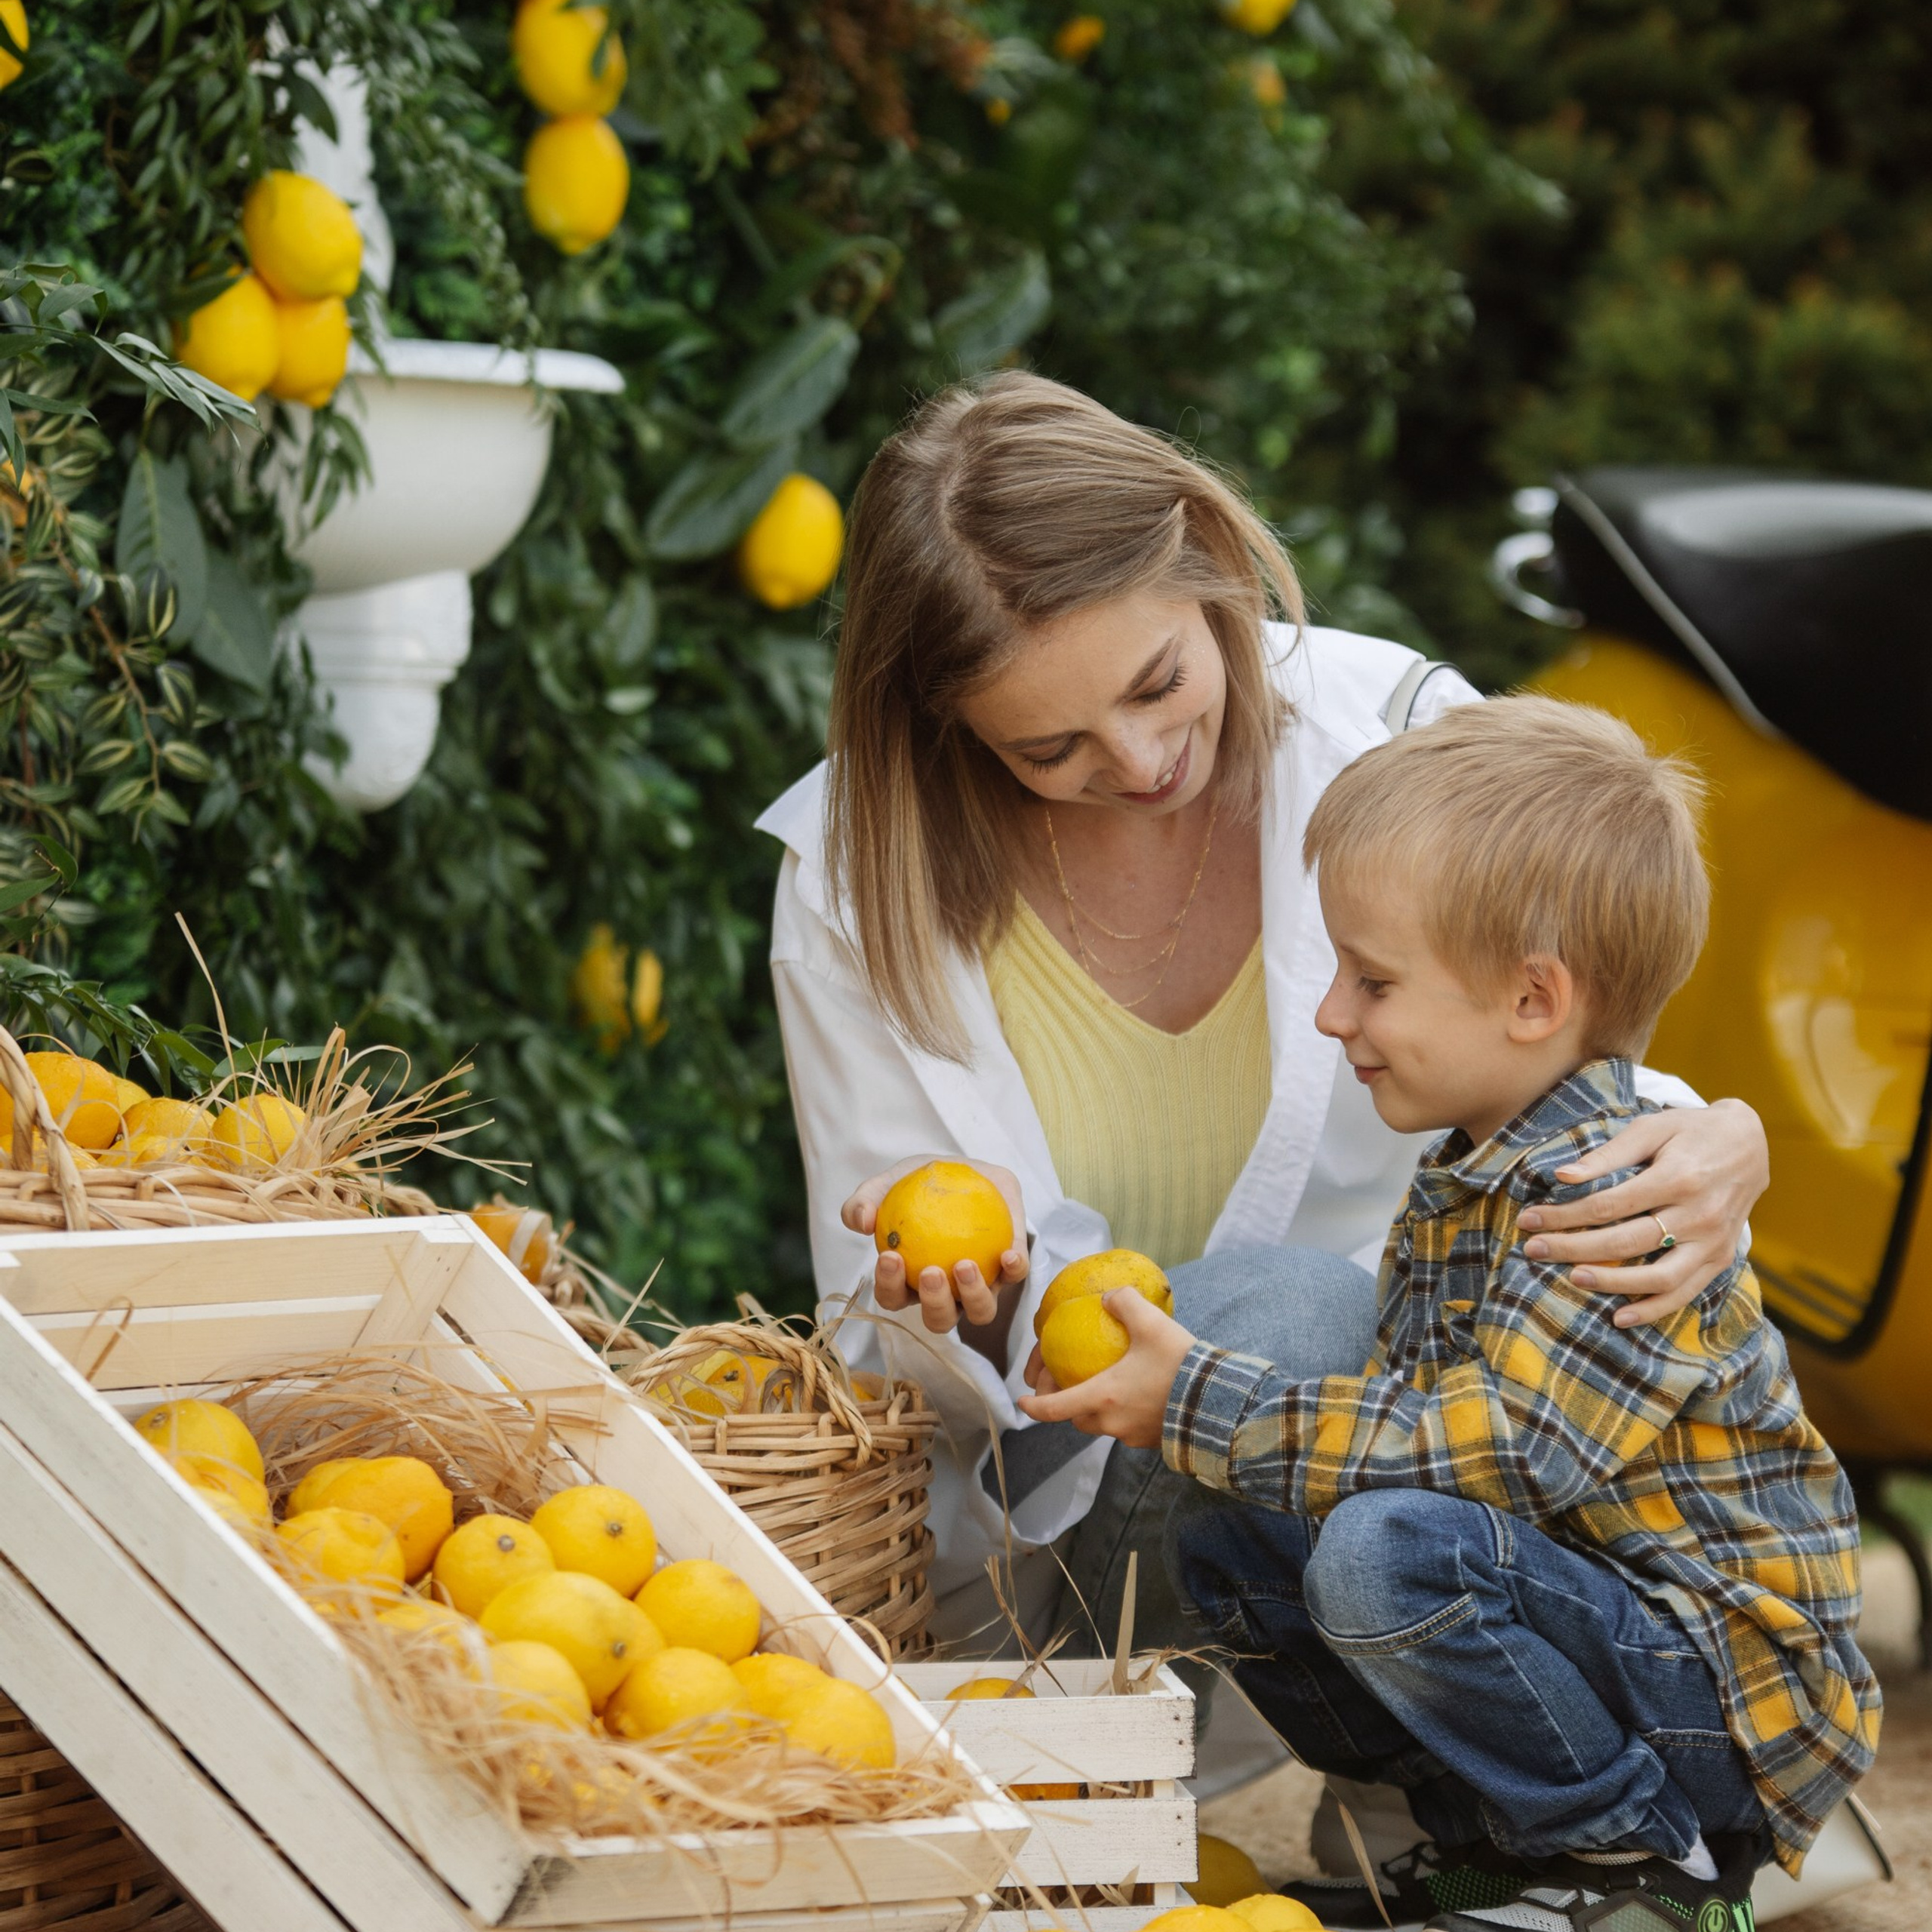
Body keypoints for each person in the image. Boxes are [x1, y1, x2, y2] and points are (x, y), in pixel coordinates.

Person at [753, 370, 1773, 1651]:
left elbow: (1568, 1068)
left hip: (1406, 1499)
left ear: (1211, 553)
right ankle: (1125, 1761)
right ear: (949, 728)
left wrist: (1712, 1134)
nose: (1138, 765)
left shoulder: (1397, 743)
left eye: (1155, 681)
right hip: (1082, 1576)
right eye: (1046, 752)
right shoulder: (855, 873)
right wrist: (975, 1308)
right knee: (1277, 1316)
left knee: (1357, 1310)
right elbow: (883, 1349)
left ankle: (1558, 1793)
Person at [1020, 696, 1880, 1932]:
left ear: (1533, 1002)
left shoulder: (1605, 1197)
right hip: (1597, 1633)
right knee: (1232, 1538)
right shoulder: (1477, 1166)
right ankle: (1493, 1844)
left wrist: (1199, 1397)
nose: (1334, 1017)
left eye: (1372, 981)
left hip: (1721, 1693)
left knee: (1385, 1553)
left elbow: (1496, 1455)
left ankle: (1643, 1868)